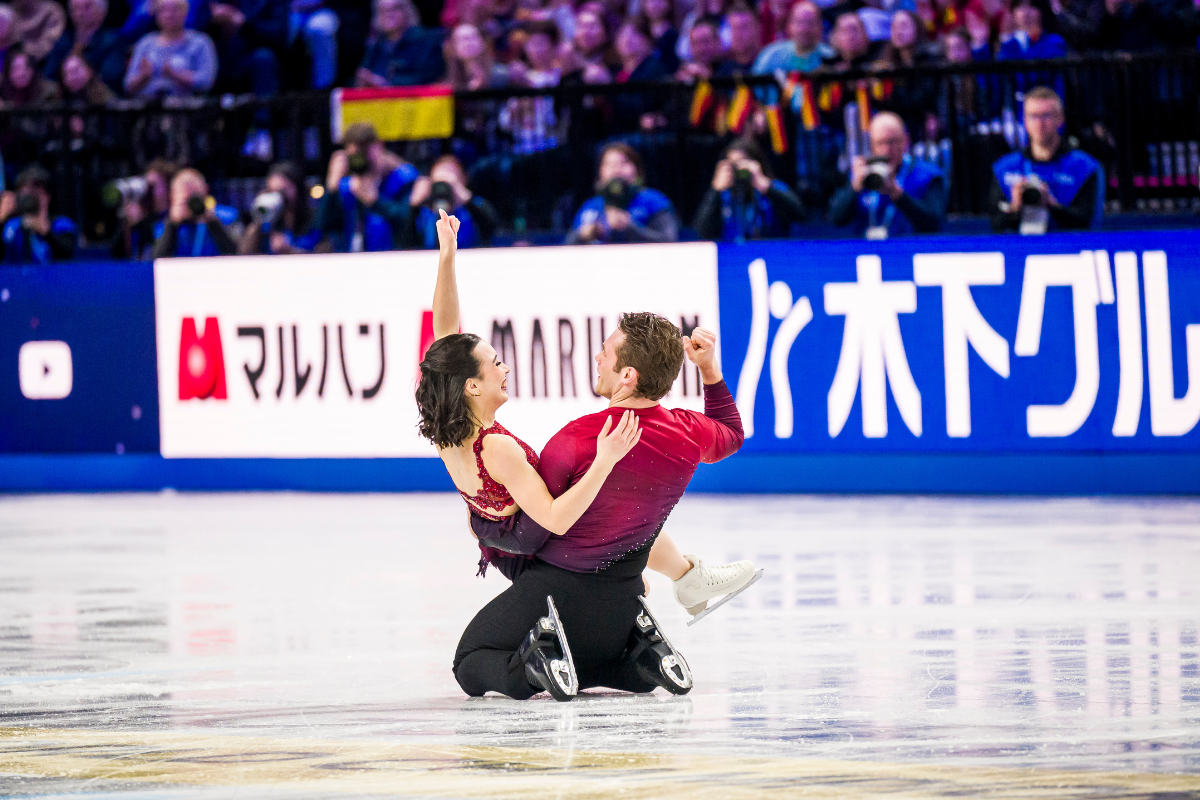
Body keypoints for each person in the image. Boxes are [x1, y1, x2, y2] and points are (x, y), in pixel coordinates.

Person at [419, 212, 757, 700]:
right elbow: (728, 433)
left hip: (541, 560)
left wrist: (447, 257)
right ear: (471, 385)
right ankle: (676, 596)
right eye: (496, 363)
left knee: (470, 661)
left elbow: (445, 337)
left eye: (606, 351)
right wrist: (709, 372)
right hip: (587, 562)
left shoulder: (543, 436)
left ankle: (543, 662)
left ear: (627, 376)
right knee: (629, 502)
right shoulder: (683, 433)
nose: (505, 365)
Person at [989, 85, 1102, 232]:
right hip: (1019, 249)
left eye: (1046, 116)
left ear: (1060, 118)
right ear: (1025, 121)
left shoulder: (1084, 167)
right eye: (1033, 116)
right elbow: (995, 225)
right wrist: (1015, 208)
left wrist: (1051, 205)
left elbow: (1087, 222)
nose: (1040, 123)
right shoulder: (1005, 168)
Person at [829, 111, 948, 236]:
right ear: (872, 145)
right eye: (880, 142)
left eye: (892, 142)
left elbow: (935, 224)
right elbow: (836, 220)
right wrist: (853, 189)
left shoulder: (926, 176)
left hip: (910, 250)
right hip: (867, 251)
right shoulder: (863, 173)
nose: (887, 149)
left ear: (905, 141)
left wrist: (898, 195)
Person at [315, 121, 417, 252]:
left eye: (363, 153)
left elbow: (411, 224)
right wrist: (331, 189)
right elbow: (321, 230)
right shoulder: (346, 187)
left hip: (394, 259)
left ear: (379, 146)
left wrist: (375, 202)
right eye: (354, 156)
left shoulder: (404, 178)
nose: (360, 161)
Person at [694, 137, 807, 241]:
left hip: (771, 256)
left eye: (742, 162)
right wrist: (715, 191)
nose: (739, 170)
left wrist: (766, 187)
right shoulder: (723, 195)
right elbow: (702, 231)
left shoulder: (772, 188)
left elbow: (800, 216)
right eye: (734, 165)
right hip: (733, 256)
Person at [566, 143, 680, 244]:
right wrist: (584, 234)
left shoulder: (654, 201)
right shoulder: (591, 206)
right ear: (600, 173)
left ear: (637, 170)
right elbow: (565, 249)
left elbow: (670, 241)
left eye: (623, 163)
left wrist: (629, 227)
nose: (616, 169)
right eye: (609, 164)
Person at [124, 0, 218, 98]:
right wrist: (143, 77)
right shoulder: (145, 43)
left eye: (175, 10)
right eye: (163, 10)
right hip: (148, 105)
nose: (169, 15)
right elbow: (128, 86)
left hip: (188, 106)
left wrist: (174, 74)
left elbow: (206, 82)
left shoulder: (200, 42)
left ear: (186, 12)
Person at [403, 155, 500, 249]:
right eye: (439, 182)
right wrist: (414, 206)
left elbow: (492, 229)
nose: (443, 188)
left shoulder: (475, 206)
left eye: (449, 181)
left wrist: (466, 198)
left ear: (463, 179)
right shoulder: (423, 213)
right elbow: (403, 243)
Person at [151, 168, 239, 258]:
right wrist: (172, 225)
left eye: (195, 200)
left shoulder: (227, 217)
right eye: (185, 200)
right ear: (173, 198)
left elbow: (238, 255)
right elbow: (157, 262)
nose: (191, 206)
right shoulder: (163, 227)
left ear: (206, 191)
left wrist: (213, 223)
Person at [355, 0, 445, 87]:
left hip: (415, 100)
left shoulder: (426, 41)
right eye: (383, 10)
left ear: (407, 11)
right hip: (378, 101)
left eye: (395, 8)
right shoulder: (375, 45)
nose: (389, 14)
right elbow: (361, 74)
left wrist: (386, 84)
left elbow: (428, 77)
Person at [43, 0, 127, 93]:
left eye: (87, 7)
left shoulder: (111, 40)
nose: (80, 13)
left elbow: (111, 76)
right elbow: (48, 75)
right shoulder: (64, 41)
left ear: (102, 11)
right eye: (76, 8)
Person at [0, 165, 78, 264]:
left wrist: (46, 232)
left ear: (47, 195)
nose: (29, 193)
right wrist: (1, 220)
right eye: (24, 188)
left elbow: (67, 254)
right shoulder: (11, 227)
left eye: (36, 187)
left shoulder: (62, 225)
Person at [238, 162, 321, 255]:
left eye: (283, 190)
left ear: (297, 187)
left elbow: (325, 255)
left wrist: (290, 251)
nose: (280, 197)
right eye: (272, 191)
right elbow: (244, 252)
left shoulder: (314, 219)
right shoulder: (266, 222)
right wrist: (259, 215)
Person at [111, 158, 176, 260]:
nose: (149, 189)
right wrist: (127, 224)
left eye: (154, 185)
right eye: (147, 184)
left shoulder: (174, 216)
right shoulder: (144, 218)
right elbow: (116, 254)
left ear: (167, 185)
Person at [752, 1, 834, 75]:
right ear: (789, 26)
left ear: (820, 26)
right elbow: (753, 87)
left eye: (810, 23)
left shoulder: (831, 57)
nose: (805, 29)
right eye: (799, 22)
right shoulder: (771, 55)